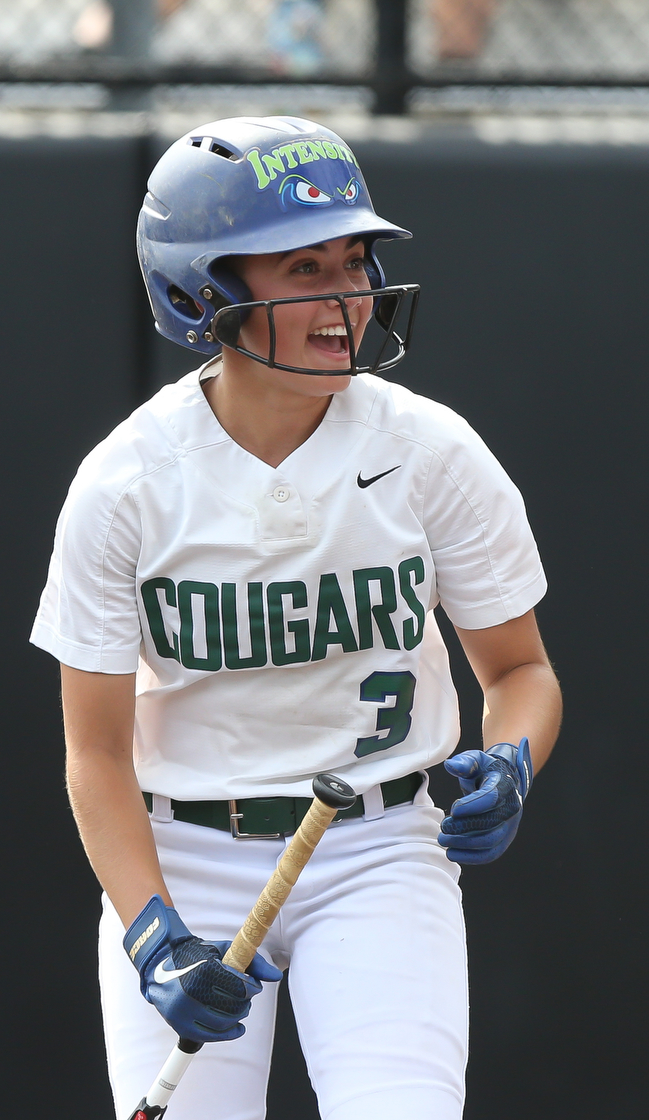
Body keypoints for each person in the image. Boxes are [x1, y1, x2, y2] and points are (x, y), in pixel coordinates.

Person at [33, 115, 561, 1120]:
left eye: (355, 259)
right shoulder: (125, 483)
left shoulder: (431, 450)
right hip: (182, 857)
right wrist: (153, 936)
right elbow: (94, 754)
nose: (346, 296)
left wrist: (512, 762)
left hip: (379, 847)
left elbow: (519, 675)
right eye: (303, 266)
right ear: (203, 291)